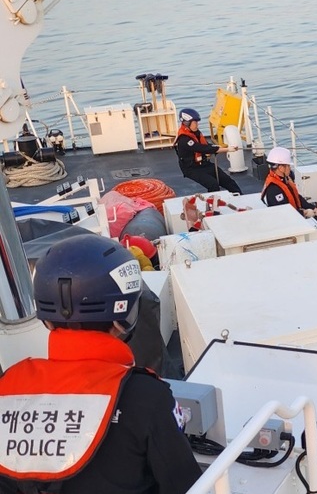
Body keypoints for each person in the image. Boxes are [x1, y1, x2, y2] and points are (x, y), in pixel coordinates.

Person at [0, 234, 202, 494]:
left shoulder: (9, 387)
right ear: (124, 317)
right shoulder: (146, 397)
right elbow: (186, 485)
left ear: (46, 319)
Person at [174, 108, 243, 193]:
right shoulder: (184, 139)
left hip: (204, 164)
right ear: (187, 123)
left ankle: (240, 196)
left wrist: (217, 146)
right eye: (195, 122)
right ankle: (213, 204)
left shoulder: (196, 133)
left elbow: (206, 145)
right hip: (191, 168)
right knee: (213, 184)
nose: (197, 125)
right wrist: (227, 149)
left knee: (227, 180)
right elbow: (202, 148)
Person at [260, 146, 317, 221]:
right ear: (281, 168)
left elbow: (296, 196)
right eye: (288, 166)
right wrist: (305, 213)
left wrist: (315, 209)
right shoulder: (274, 189)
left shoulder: (284, 179)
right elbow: (284, 212)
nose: (290, 168)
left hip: (294, 216)